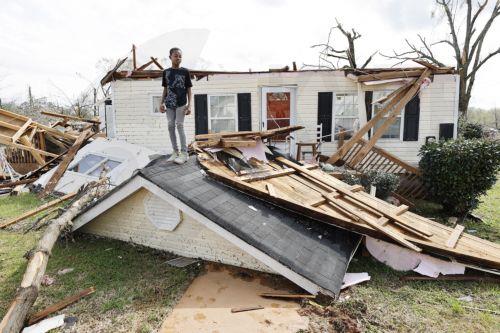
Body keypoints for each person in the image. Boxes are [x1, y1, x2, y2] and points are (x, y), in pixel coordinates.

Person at [160, 47, 192, 164]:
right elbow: (165, 89)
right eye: (176, 56)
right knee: (170, 125)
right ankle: (175, 152)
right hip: (169, 103)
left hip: (181, 103)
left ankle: (184, 153)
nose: (178, 58)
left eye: (180, 56)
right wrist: (161, 103)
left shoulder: (185, 72)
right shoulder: (166, 72)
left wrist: (189, 105)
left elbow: (189, 89)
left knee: (179, 124)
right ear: (170, 57)